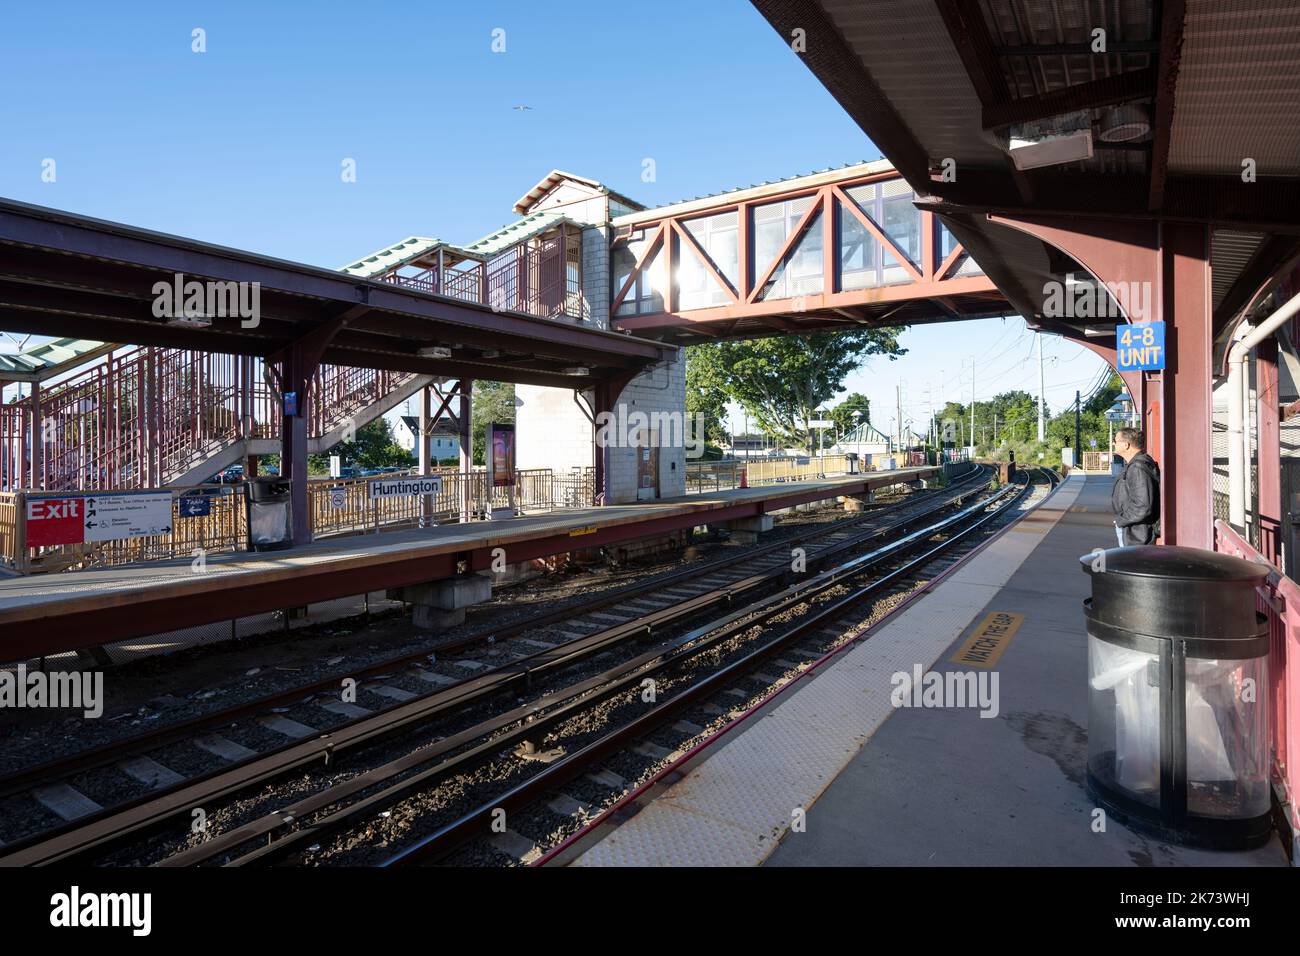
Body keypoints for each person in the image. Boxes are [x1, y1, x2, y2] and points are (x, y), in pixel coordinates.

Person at [1111, 428, 1160, 546]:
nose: (1114, 443)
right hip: (1134, 531)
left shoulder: (1137, 468)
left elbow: (1143, 506)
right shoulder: (1137, 464)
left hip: (1137, 534)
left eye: (1116, 441)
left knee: (1130, 563)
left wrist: (1120, 520)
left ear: (1126, 445)